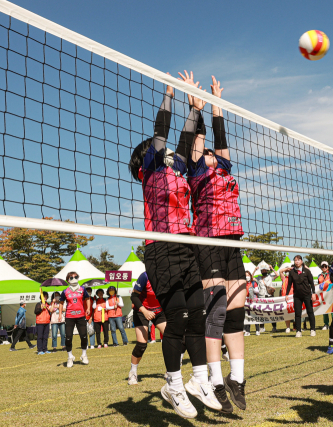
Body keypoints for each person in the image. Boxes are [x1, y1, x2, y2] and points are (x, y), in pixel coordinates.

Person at [128, 73, 218, 419]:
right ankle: (173, 384)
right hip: (161, 247)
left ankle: (198, 380)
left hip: (186, 247)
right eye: (158, 150)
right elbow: (161, 135)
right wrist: (168, 96)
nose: (166, 151)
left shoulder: (176, 167)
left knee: (198, 315)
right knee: (177, 320)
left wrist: (196, 108)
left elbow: (184, 140)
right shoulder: (149, 171)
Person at [185, 74, 248, 413]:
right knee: (217, 311)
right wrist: (197, 106)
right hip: (207, 241)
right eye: (205, 149)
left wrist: (217, 102)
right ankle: (214, 379)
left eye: (211, 151)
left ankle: (237, 378)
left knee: (237, 310)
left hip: (231, 242)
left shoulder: (224, 166)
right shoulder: (194, 171)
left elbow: (220, 136)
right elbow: (198, 141)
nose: (210, 152)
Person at [129, 272, 169, 384]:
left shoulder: (169, 274)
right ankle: (133, 373)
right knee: (142, 344)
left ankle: (170, 371)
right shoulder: (145, 276)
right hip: (141, 311)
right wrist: (145, 311)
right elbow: (133, 296)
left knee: (172, 339)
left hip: (159, 312)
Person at [59, 272, 91, 368]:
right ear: (68, 279)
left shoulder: (82, 289)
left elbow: (87, 298)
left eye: (76, 277)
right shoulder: (65, 291)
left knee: (84, 336)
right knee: (68, 337)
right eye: (71, 277)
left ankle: (84, 355)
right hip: (69, 317)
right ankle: (70, 357)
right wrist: (60, 314)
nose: (74, 278)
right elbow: (61, 303)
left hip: (81, 316)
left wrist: (88, 308)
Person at [283, 256, 316, 337]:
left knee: (310, 312)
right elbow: (289, 284)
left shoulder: (307, 271)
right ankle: (298, 331)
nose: (297, 261)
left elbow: (311, 283)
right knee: (297, 314)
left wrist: (313, 293)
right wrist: (286, 294)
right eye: (295, 260)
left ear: (301, 261)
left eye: (298, 260)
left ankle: (312, 330)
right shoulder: (292, 272)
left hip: (307, 294)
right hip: (297, 296)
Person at [244, 271, 264, 336]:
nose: (247, 277)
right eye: (246, 275)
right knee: (247, 315)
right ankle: (247, 331)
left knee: (255, 315)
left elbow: (257, 291)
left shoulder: (253, 282)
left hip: (253, 300)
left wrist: (252, 289)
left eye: (248, 275)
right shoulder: (243, 283)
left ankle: (257, 330)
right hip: (246, 301)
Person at [317, 261, 333, 330]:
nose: (324, 268)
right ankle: (326, 324)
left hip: (330, 294)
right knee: (324, 310)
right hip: (323, 295)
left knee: (332, 309)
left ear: (328, 267)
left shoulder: (331, 274)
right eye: (322, 266)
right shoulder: (319, 276)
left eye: (325, 266)